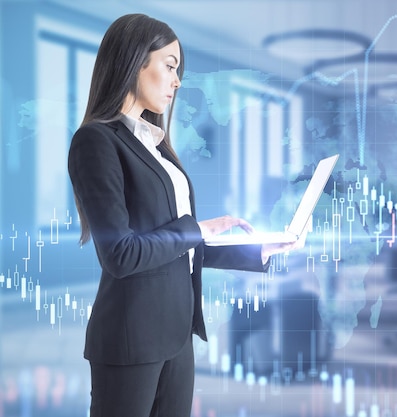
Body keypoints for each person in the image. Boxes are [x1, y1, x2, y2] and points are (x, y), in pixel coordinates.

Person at [67, 13, 304, 417]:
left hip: (177, 336)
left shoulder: (158, 148)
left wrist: (259, 249)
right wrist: (194, 228)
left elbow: (181, 250)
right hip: (131, 339)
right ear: (134, 59)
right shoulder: (97, 141)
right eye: (170, 66)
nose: (178, 82)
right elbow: (121, 254)